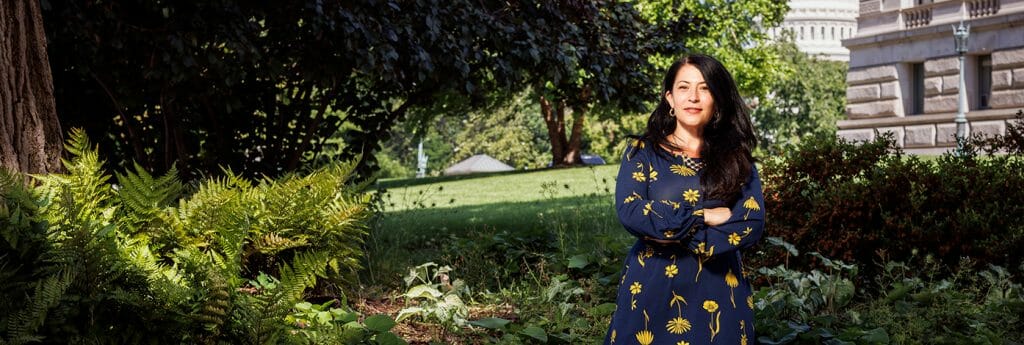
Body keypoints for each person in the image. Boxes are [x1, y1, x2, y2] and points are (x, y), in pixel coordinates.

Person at [604, 54, 764, 345]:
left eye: (704, 88)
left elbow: (750, 221)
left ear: (717, 98)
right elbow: (632, 212)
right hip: (651, 288)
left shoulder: (736, 157)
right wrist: (702, 215)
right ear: (669, 98)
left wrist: (671, 231)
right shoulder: (642, 152)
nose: (693, 97)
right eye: (683, 87)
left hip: (719, 289)